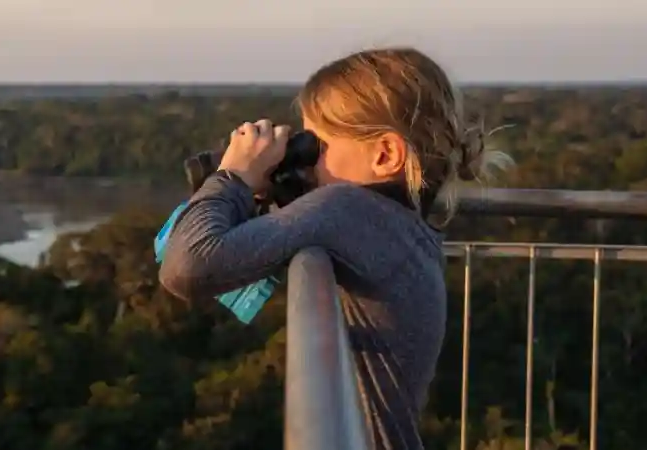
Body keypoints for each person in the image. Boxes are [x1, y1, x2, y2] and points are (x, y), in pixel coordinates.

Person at [158, 47, 513, 449]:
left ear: (385, 154)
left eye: (317, 147)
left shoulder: (348, 208)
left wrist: (232, 177)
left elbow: (187, 268)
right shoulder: (400, 226)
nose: (308, 162)